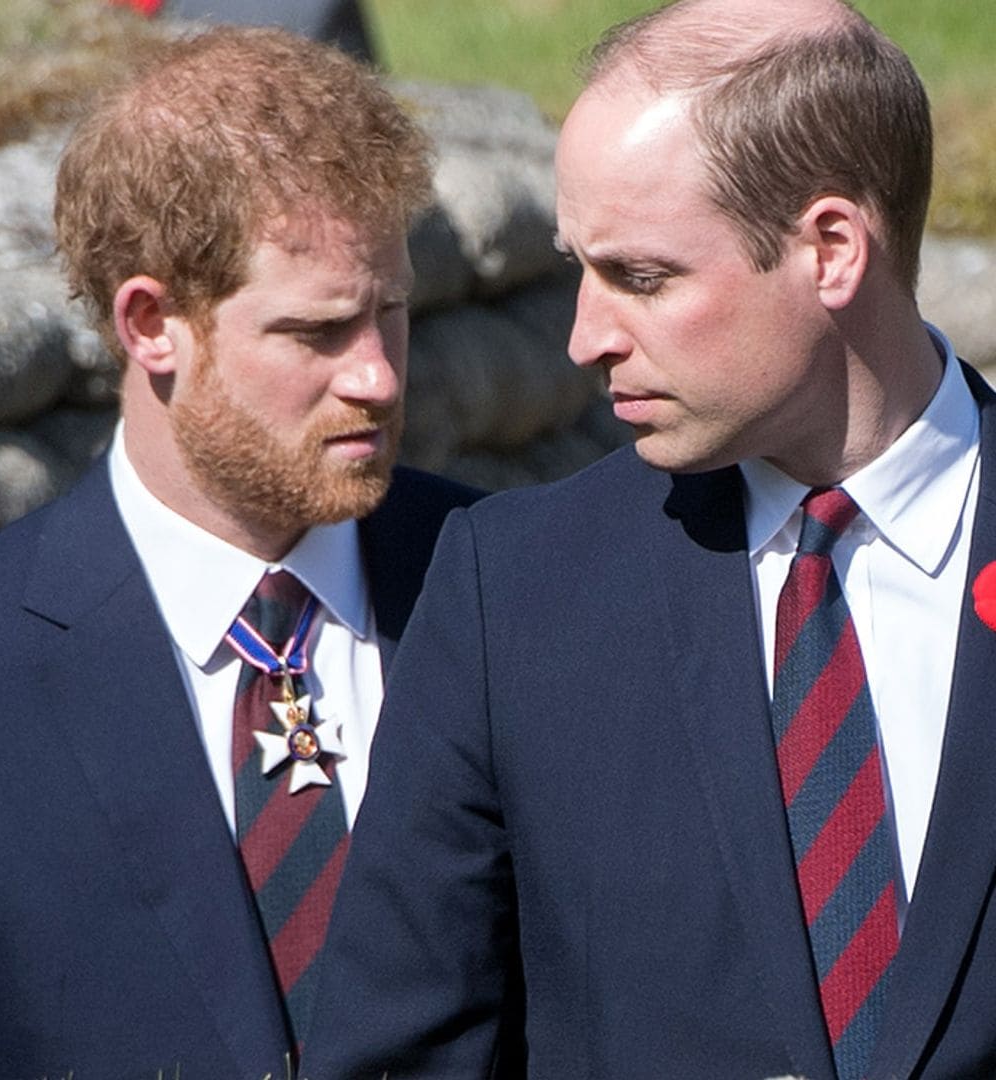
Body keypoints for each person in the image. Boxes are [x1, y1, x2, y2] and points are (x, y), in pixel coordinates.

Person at [300, 1, 996, 1077]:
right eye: (578, 267)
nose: (585, 338)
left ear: (831, 248)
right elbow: (402, 1048)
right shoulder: (514, 594)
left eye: (642, 278)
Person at [0, 26, 480, 1078]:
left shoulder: (504, 588)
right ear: (152, 324)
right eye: (317, 332)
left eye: (390, 315)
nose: (378, 378)